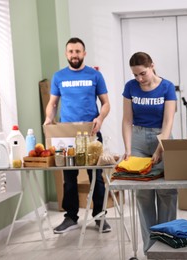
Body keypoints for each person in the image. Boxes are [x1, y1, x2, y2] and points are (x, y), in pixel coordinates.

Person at [44, 37, 111, 234]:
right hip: (66, 135)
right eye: (71, 51)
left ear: (84, 53)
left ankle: (100, 217)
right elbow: (53, 103)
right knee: (69, 178)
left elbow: (106, 103)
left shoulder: (95, 75)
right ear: (66, 54)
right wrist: (49, 118)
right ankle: (71, 217)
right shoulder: (59, 76)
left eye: (78, 51)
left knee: (96, 178)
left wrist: (100, 118)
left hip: (91, 133)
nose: (74, 55)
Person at [121, 52, 178, 254]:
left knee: (166, 192)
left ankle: (167, 245)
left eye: (143, 73)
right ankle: (150, 249)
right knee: (143, 194)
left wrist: (160, 148)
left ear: (152, 66)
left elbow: (168, 122)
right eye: (135, 75)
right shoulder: (130, 87)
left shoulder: (167, 87)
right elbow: (127, 120)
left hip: (161, 137)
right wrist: (128, 149)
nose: (139, 79)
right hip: (137, 139)